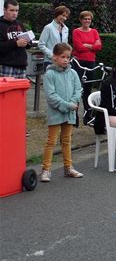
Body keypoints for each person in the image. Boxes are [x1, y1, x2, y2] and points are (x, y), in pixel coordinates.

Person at [39, 43, 83, 182]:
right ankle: (46, 169)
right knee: (51, 141)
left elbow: (78, 89)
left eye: (68, 57)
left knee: (67, 140)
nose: (65, 60)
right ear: (54, 57)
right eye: (62, 57)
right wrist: (67, 105)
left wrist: (73, 102)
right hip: (56, 113)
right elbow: (51, 96)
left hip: (69, 113)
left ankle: (68, 167)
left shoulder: (73, 73)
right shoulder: (49, 74)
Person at [72, 11, 102, 120]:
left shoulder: (94, 31)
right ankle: (74, 114)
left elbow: (99, 46)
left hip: (91, 62)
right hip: (79, 62)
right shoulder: (76, 31)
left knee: (88, 88)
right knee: (78, 88)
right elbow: (78, 47)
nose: (87, 21)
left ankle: (88, 114)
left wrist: (87, 45)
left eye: (89, 19)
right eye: (85, 19)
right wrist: (92, 46)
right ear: (81, 20)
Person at [0, 0, 30, 78]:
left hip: (21, 65)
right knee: (7, 90)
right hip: (6, 66)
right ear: (4, 10)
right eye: (12, 10)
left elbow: (26, 44)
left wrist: (28, 43)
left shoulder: (19, 24)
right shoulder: (1, 25)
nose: (14, 13)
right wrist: (16, 43)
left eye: (17, 11)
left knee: (21, 90)